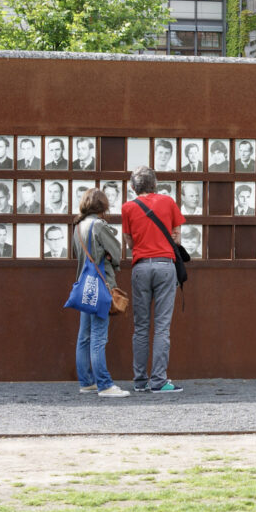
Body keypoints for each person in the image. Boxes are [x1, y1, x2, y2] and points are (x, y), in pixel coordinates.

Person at [121, 165, 185, 393]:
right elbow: (177, 237)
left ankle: (140, 381)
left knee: (141, 327)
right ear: (155, 184)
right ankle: (159, 381)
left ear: (132, 187)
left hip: (141, 267)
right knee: (161, 327)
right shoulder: (168, 202)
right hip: (164, 265)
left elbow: (129, 243)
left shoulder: (128, 207)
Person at [72, 188, 129, 397]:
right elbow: (116, 254)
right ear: (103, 205)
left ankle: (86, 382)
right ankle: (104, 385)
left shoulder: (77, 226)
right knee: (98, 337)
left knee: (84, 336)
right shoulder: (99, 225)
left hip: (84, 286)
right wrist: (107, 257)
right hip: (101, 285)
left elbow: (77, 255)